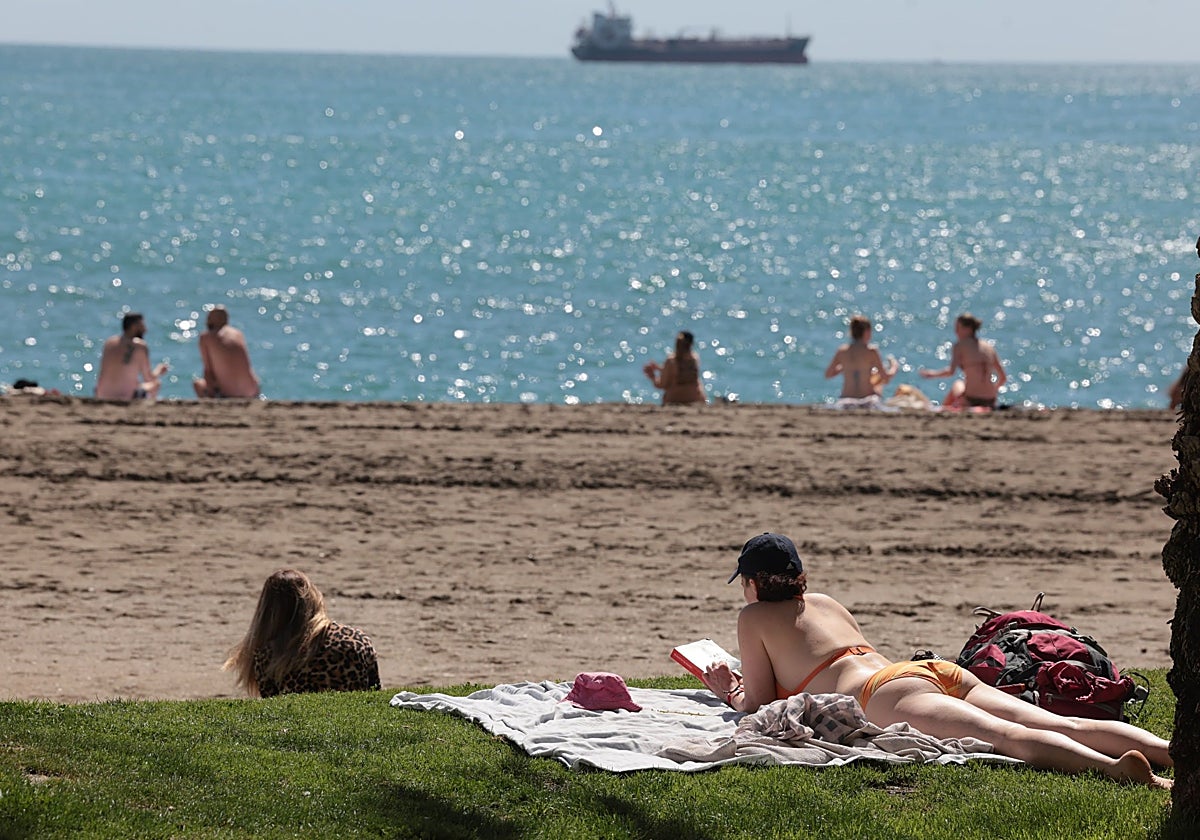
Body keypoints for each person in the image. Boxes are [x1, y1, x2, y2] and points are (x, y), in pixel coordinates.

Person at [699, 532, 1172, 788]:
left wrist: (729, 688)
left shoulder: (754, 616)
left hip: (881, 694)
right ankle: (1173, 750)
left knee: (1009, 738)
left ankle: (1117, 771)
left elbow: (758, 701)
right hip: (926, 670)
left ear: (754, 581)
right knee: (1057, 721)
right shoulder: (823, 601)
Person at [223, 569, 381, 698]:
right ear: (312, 597)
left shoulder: (268, 654)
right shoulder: (356, 640)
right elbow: (375, 694)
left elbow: (274, 708)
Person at [919, 313, 1007, 409]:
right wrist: (993, 390)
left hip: (971, 399)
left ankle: (942, 411)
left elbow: (950, 372)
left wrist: (932, 374)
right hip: (991, 399)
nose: (956, 332)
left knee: (957, 384)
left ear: (968, 329)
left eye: (958, 328)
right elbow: (1003, 378)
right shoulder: (988, 347)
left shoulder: (960, 345)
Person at [94, 312, 168, 401]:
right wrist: (159, 370)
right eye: (142, 326)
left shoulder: (109, 343)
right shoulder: (140, 346)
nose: (145, 329)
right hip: (126, 397)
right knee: (156, 384)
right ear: (134, 327)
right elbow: (148, 378)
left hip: (101, 394)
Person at [823, 315, 898, 400]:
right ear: (866, 332)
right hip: (866, 398)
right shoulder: (871, 351)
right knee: (878, 385)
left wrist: (843, 367)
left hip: (845, 398)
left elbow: (828, 374)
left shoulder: (842, 351)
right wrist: (894, 366)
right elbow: (886, 377)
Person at [193, 305, 260, 399]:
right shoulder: (238, 334)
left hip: (229, 394)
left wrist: (212, 393)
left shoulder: (206, 337)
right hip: (252, 391)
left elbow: (208, 371)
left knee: (198, 384)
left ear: (210, 320)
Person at [643, 331, 707, 405]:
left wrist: (652, 376)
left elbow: (661, 385)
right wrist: (660, 369)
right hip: (695, 398)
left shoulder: (671, 361)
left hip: (674, 399)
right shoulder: (694, 359)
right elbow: (682, 373)